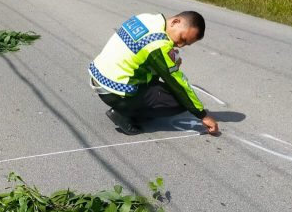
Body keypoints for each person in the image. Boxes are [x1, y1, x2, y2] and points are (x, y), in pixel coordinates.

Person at [88, 11, 219, 136]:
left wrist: (169, 63)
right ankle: (124, 112)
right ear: (175, 22)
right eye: (182, 38)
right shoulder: (158, 44)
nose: (179, 45)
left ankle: (132, 106)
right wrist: (202, 115)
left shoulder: (146, 18)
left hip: (100, 77)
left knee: (159, 81)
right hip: (116, 90)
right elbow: (178, 84)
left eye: (185, 44)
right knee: (180, 100)